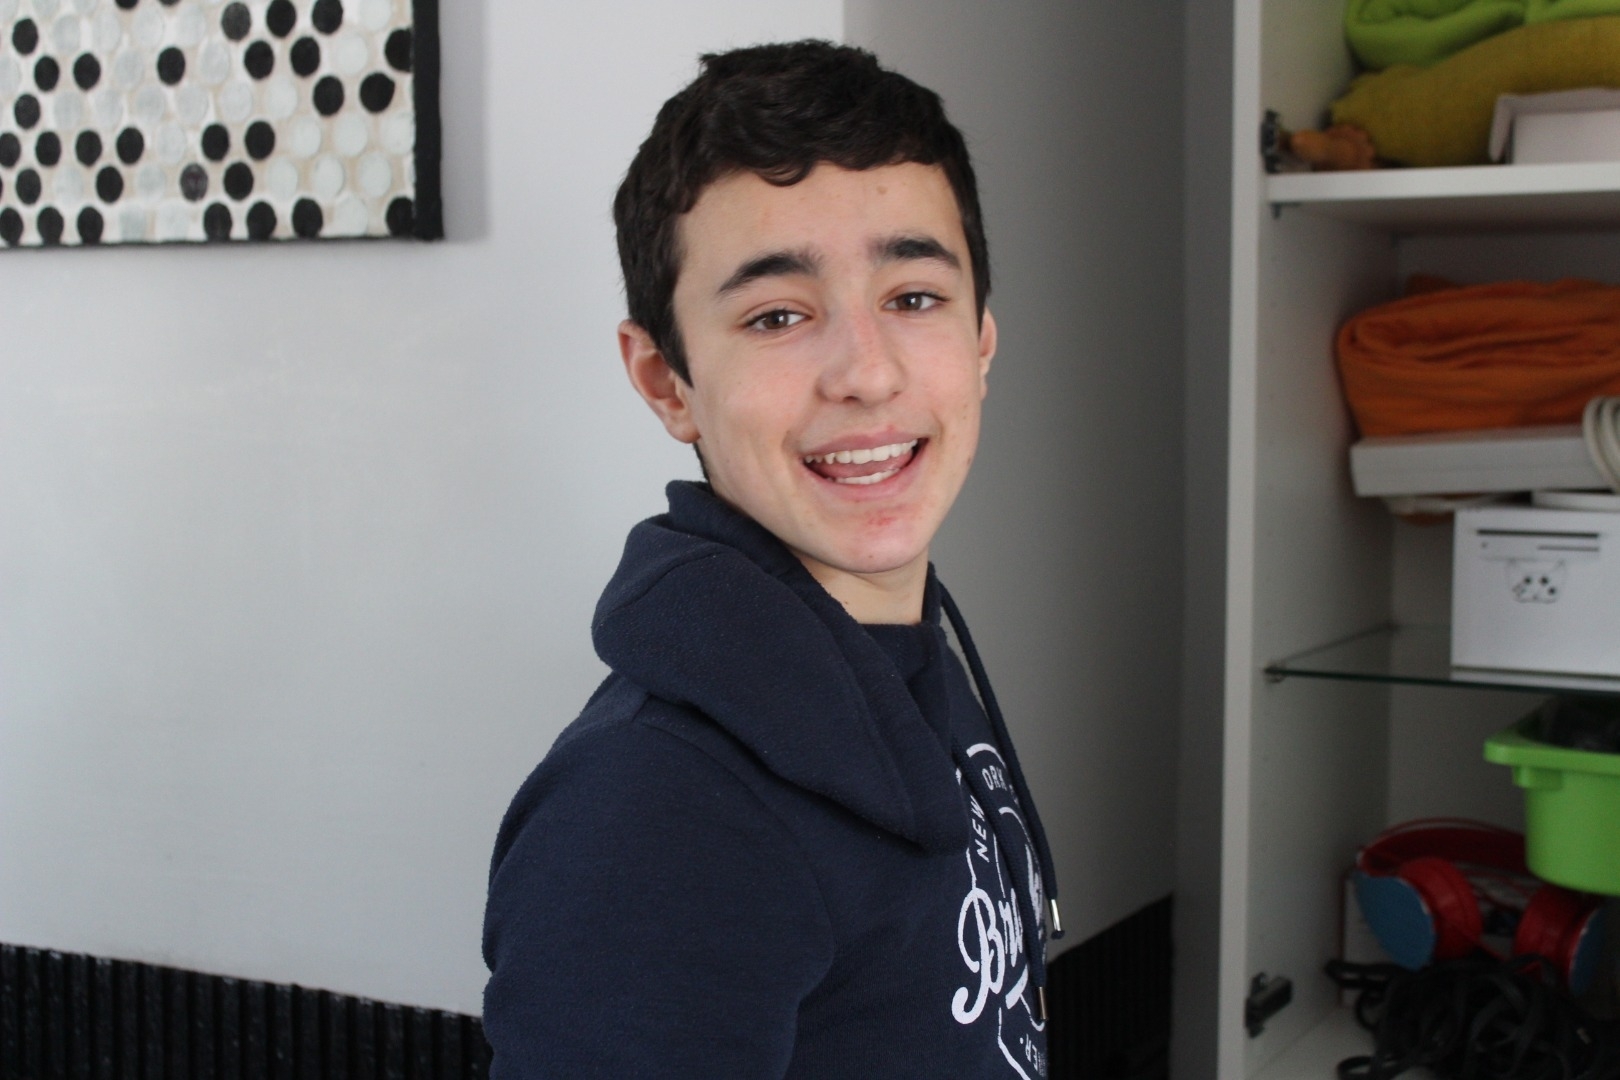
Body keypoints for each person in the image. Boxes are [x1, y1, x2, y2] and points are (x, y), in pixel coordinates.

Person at [482, 40, 1060, 1078]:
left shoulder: (896, 649)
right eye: (778, 315)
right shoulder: (655, 813)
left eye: (914, 297)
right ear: (667, 382)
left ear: (981, 339)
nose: (867, 373)